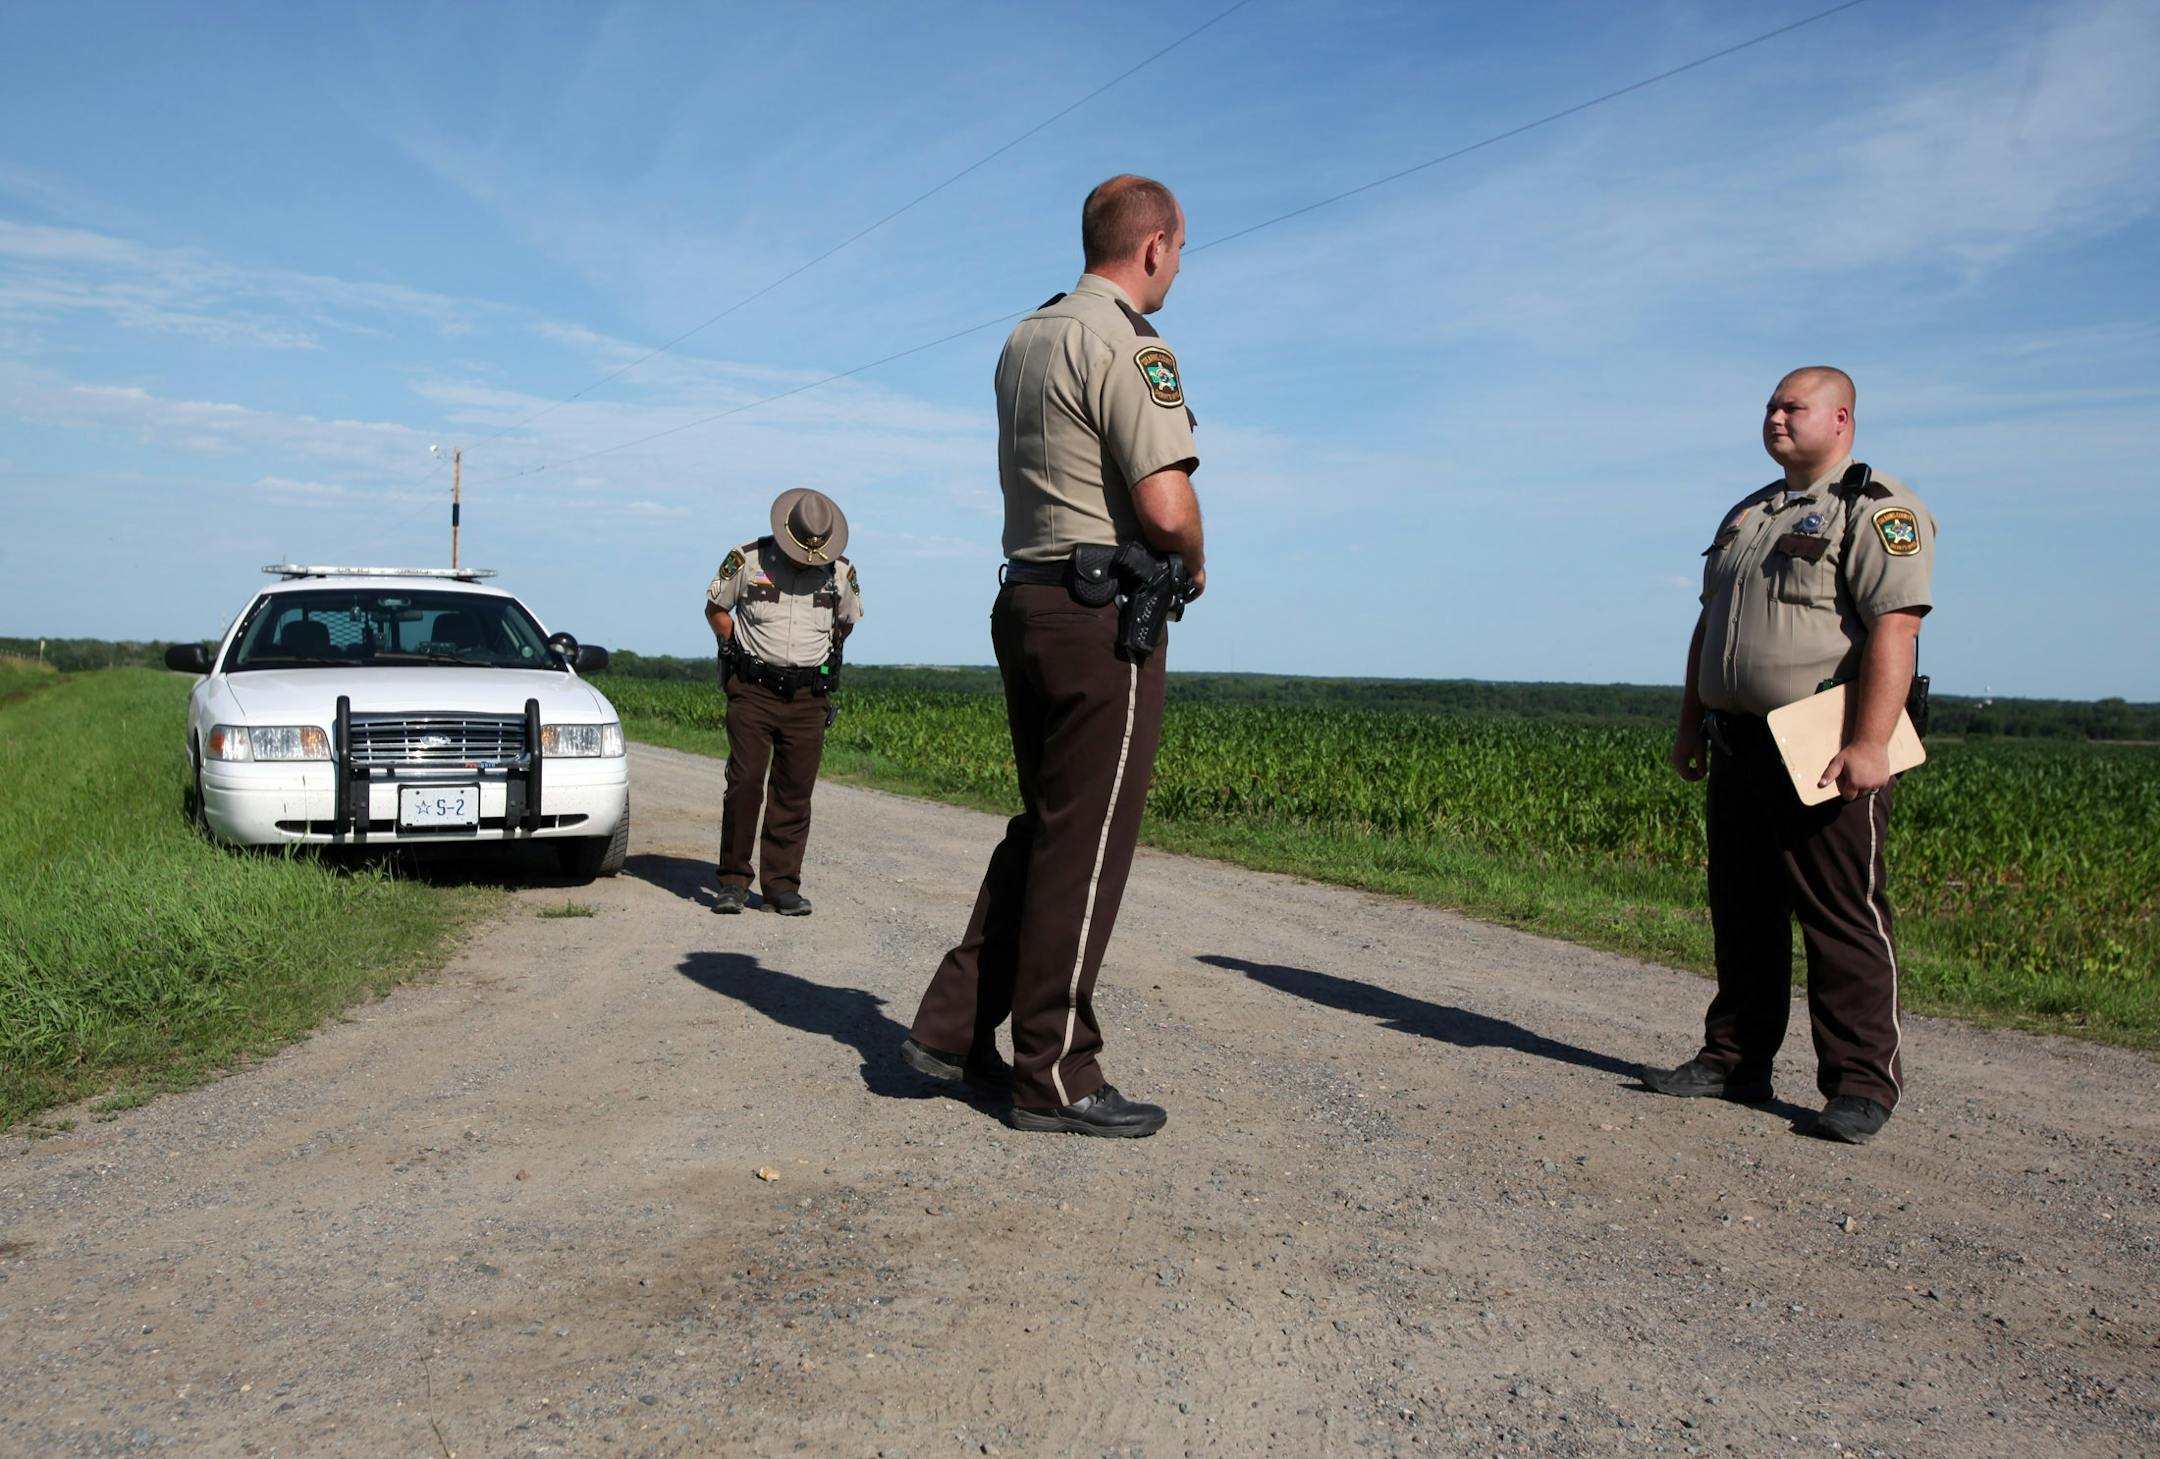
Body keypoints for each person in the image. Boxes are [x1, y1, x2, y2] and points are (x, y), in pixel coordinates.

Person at [902, 174, 1207, 1137]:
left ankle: (951, 1028)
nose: (1176, 268)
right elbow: (1164, 505)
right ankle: (1058, 1070)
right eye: (1180, 251)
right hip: (1099, 616)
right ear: (1153, 244)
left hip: (1025, 596)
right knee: (1086, 838)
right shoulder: (1127, 340)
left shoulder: (1025, 335)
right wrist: (1195, 558)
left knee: (1044, 825)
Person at [1645, 366, 1937, 1144]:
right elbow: (1709, 630)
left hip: (1823, 741)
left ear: (1840, 418)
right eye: (1770, 406)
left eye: (1791, 406)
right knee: (1742, 910)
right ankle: (1735, 1060)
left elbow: (1895, 631)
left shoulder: (1876, 510)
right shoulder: (1750, 514)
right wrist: (1689, 723)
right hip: (1739, 741)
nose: (1774, 417)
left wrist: (1870, 743)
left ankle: (1859, 1086)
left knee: (1842, 915)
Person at [702, 488, 863, 916]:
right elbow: (716, 608)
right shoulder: (747, 558)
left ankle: (781, 886)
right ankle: (733, 881)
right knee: (746, 783)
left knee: (794, 791)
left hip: (809, 696)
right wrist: (734, 646)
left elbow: (845, 623)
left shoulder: (840, 572)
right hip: (752, 689)